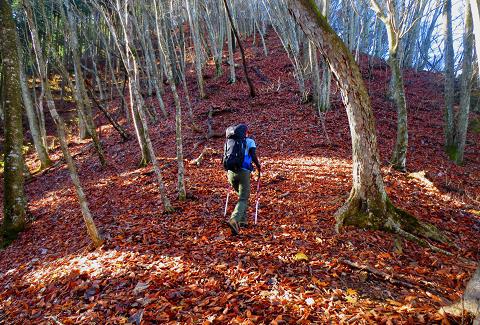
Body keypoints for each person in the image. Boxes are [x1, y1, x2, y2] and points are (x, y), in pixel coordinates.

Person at [225, 124, 261, 235]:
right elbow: (253, 154)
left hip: (230, 173)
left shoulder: (229, 142)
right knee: (244, 198)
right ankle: (234, 219)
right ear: (245, 132)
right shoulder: (250, 141)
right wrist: (258, 166)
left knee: (241, 197)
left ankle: (242, 221)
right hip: (243, 172)